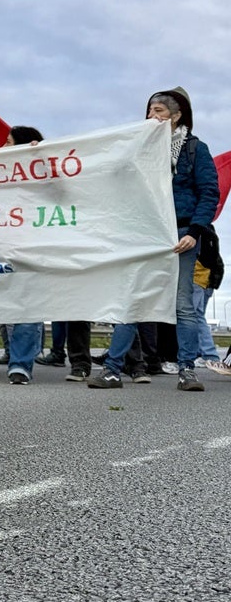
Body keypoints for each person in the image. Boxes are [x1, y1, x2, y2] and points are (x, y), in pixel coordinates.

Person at [89, 88, 220, 391]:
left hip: (181, 234)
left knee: (183, 303)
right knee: (134, 298)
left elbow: (208, 192)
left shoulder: (195, 149)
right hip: (145, 233)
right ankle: (112, 369)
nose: (152, 116)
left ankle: (187, 370)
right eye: (149, 110)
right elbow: (110, 175)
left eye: (159, 110)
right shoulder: (138, 149)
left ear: (177, 116)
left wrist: (195, 232)